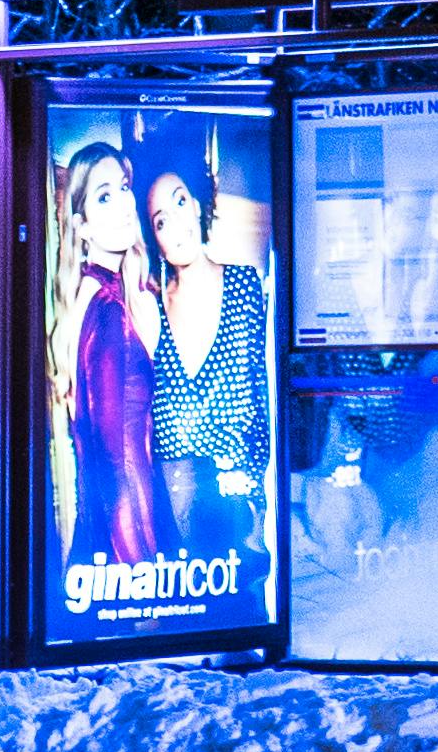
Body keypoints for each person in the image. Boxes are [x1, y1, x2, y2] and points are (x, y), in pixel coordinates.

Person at [145, 133, 275, 562]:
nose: (175, 223)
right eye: (160, 220)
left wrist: (254, 499)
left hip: (241, 502)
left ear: (199, 203)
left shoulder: (243, 285)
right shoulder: (148, 307)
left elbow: (260, 394)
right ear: (153, 236)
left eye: (180, 201)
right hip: (174, 512)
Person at [50, 136, 163, 581]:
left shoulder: (101, 295)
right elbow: (118, 462)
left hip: (107, 552)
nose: (122, 204)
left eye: (122, 187)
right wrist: (145, 577)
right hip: (126, 553)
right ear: (82, 227)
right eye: (103, 196)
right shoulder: (107, 309)